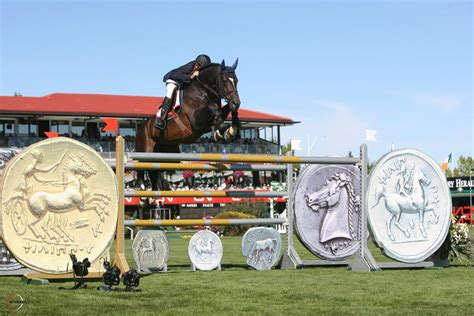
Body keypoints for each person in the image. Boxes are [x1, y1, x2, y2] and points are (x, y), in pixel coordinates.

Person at [155, 54, 212, 129]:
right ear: (198, 64)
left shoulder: (197, 69)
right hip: (172, 80)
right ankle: (160, 117)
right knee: (170, 93)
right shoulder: (190, 66)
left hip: (180, 83)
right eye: (201, 67)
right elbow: (176, 75)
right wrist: (190, 77)